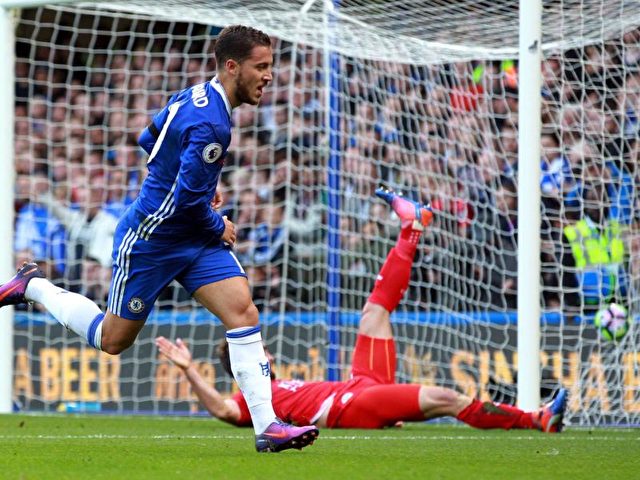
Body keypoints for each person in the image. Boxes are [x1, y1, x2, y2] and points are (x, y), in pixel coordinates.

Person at [0, 25, 317, 453]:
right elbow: (186, 203)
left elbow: (148, 138)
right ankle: (33, 285)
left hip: (192, 237)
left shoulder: (194, 96)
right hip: (152, 238)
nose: (269, 76)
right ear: (231, 66)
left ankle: (269, 427)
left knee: (243, 313)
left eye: (270, 67)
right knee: (113, 340)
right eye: (261, 67)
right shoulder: (212, 124)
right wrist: (217, 222)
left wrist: (201, 187)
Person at [156, 187, 568, 433]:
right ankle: (536, 420)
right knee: (445, 396)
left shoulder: (281, 387)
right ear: (246, 364)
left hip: (361, 384)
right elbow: (223, 411)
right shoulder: (252, 397)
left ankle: (412, 227)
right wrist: (189, 369)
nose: (265, 351)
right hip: (353, 405)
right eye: (257, 350)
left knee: (373, 314)